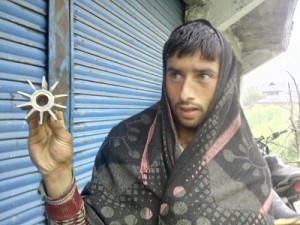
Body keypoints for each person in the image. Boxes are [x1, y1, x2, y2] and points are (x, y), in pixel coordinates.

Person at [27, 19, 274, 224]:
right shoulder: (124, 143)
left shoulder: (249, 170)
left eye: (203, 75)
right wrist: (57, 175)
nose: (186, 92)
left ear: (224, 84)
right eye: (176, 74)